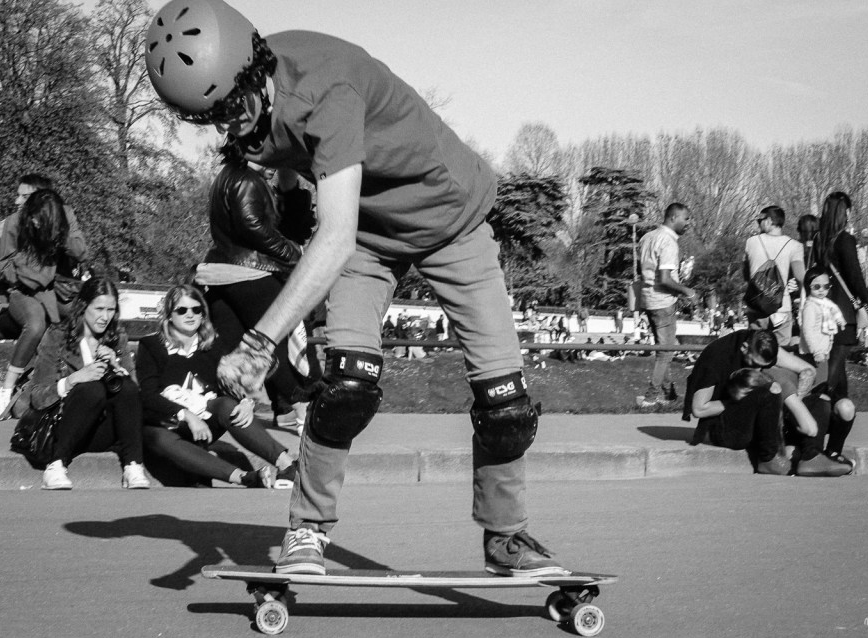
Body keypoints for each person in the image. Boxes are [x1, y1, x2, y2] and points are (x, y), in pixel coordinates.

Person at [146, 0, 563, 577]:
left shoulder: (327, 92)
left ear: (252, 68)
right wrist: (291, 194)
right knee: (347, 388)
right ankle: (307, 532)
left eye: (233, 106)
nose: (229, 123)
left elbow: (334, 238)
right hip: (369, 238)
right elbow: (293, 162)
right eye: (212, 116)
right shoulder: (244, 101)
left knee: (506, 404)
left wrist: (259, 343)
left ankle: (507, 537)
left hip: (451, 221)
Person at [192, 138, 319, 436]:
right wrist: (290, 253)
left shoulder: (229, 175)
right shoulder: (246, 179)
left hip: (222, 271)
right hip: (249, 272)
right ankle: (305, 408)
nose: (273, 160)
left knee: (226, 344)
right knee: (282, 338)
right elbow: (253, 226)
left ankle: (207, 400)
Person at [136, 284, 297, 488]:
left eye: (196, 309)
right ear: (169, 315)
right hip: (168, 422)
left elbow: (228, 386)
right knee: (157, 437)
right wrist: (185, 414)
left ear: (203, 315)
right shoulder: (151, 346)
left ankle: (287, 465)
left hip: (205, 419)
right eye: (182, 310)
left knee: (228, 406)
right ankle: (245, 477)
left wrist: (246, 403)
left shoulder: (213, 345)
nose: (190, 315)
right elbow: (148, 396)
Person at [24, 277, 149, 490]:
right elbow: (36, 396)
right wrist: (73, 379)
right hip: (62, 425)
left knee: (126, 387)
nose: (105, 317)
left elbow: (134, 393)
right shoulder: (58, 335)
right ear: (83, 307)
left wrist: (116, 366)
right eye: (99, 308)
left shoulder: (116, 337)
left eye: (110, 310)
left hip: (103, 429)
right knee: (91, 389)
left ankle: (133, 465)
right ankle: (55, 465)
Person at [0, 181, 87, 421]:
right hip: (16, 294)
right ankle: (8, 387)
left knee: (85, 317)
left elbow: (81, 251)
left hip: (54, 291)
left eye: (24, 197)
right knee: (37, 323)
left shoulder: (64, 215)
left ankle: (84, 383)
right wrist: (31, 273)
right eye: (18, 196)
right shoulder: (9, 224)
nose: (17, 201)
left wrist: (57, 231)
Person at [682, 328, 816, 474]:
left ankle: (812, 453)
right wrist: (742, 400)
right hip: (718, 428)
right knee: (769, 389)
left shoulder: (762, 342)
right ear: (744, 348)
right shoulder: (717, 358)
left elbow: (808, 370)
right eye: (754, 362)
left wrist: (795, 403)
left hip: (751, 419)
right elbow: (699, 409)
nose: (758, 369)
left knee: (792, 390)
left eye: (763, 365)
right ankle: (768, 459)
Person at [811, 191, 868, 464]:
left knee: (836, 382)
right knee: (833, 383)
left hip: (822, 314)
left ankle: (828, 445)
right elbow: (855, 277)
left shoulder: (819, 240)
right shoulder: (845, 239)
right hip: (843, 317)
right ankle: (827, 447)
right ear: (846, 212)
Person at [637, 203, 696, 407]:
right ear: (673, 218)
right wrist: (685, 290)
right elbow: (663, 278)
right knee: (665, 353)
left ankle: (669, 393)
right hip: (663, 302)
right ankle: (651, 397)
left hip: (648, 299)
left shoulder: (647, 237)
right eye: (686, 218)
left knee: (664, 351)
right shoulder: (669, 242)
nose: (688, 223)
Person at [742, 205, 805, 347]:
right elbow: (801, 276)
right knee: (780, 351)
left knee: (755, 349)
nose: (758, 224)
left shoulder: (751, 242)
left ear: (769, 220)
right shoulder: (794, 245)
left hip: (756, 306)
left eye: (760, 220)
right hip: (782, 307)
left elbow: (746, 275)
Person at [798, 267, 845, 384]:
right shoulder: (810, 307)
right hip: (812, 353)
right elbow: (807, 331)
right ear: (808, 286)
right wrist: (816, 351)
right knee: (815, 381)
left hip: (823, 350)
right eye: (816, 286)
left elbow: (834, 312)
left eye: (826, 286)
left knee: (822, 380)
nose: (821, 290)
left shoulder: (826, 304)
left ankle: (817, 398)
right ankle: (812, 400)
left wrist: (840, 320)